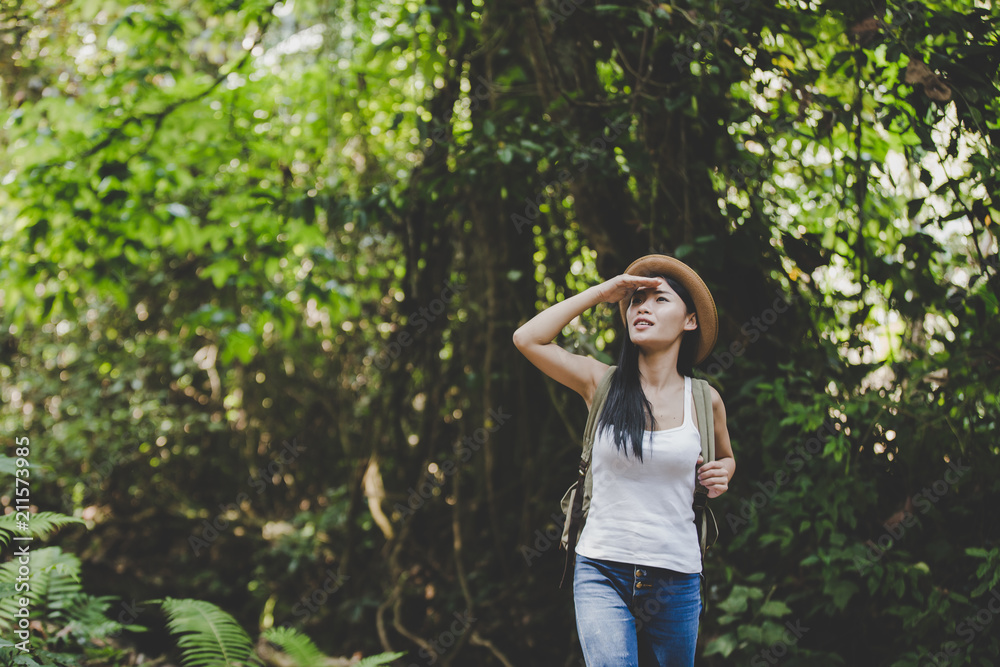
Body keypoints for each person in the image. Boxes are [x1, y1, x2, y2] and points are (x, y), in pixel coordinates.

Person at [512, 254, 736, 667]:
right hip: (601, 568)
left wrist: (724, 473)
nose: (642, 307)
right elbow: (527, 339)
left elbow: (725, 460)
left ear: (690, 321)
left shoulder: (705, 400)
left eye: (659, 300)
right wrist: (602, 292)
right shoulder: (601, 383)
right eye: (636, 300)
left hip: (677, 575)